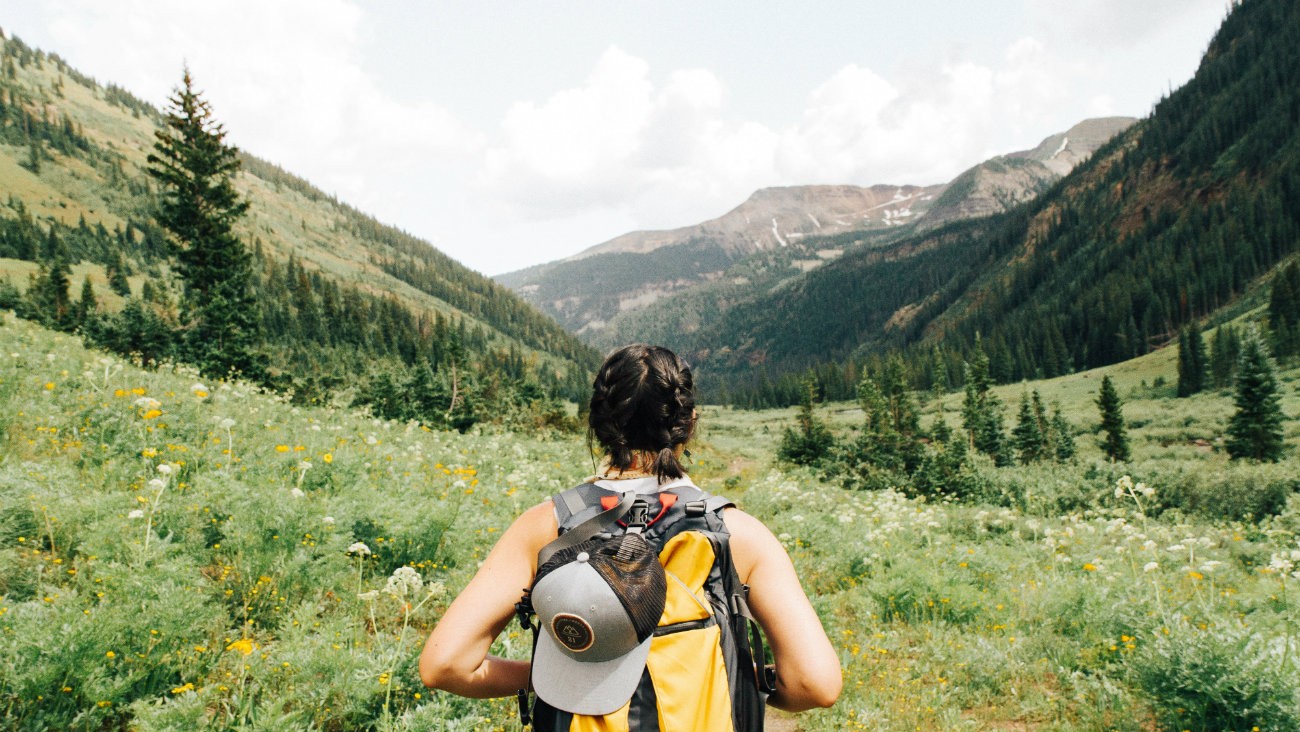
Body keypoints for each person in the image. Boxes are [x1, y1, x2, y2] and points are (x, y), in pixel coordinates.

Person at [419, 344, 841, 725]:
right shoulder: (739, 534)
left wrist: (550, 676)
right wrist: (736, 675)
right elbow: (816, 684)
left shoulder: (545, 526)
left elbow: (445, 665)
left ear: (598, 424)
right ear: (689, 423)